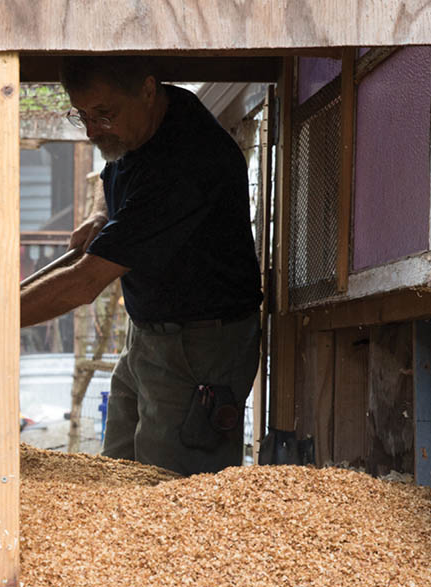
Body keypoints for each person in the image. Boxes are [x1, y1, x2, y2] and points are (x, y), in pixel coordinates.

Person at [20, 56, 262, 476]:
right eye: (83, 117)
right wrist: (102, 215)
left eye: (103, 115)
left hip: (199, 347)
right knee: (116, 470)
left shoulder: (186, 163)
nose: (93, 130)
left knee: (168, 489)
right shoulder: (155, 117)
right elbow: (111, 168)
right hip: (150, 333)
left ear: (148, 90)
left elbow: (84, 284)